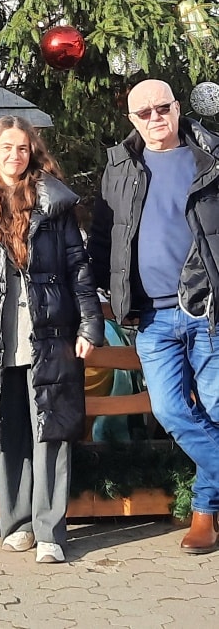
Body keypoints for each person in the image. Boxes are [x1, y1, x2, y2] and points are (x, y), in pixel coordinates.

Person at [0, 116, 103, 565]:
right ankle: (17, 524)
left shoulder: (55, 202)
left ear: (32, 152)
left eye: (22, 148)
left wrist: (89, 324)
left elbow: (78, 268)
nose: (15, 156)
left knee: (51, 430)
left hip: (50, 333)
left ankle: (50, 531)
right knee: (9, 428)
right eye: (6, 148)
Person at [89, 79, 219, 554]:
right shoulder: (120, 166)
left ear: (177, 108)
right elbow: (103, 238)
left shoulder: (211, 158)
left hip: (207, 311)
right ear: (131, 119)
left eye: (162, 108)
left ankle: (204, 513)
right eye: (143, 112)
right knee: (169, 411)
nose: (154, 118)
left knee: (217, 408)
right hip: (150, 318)